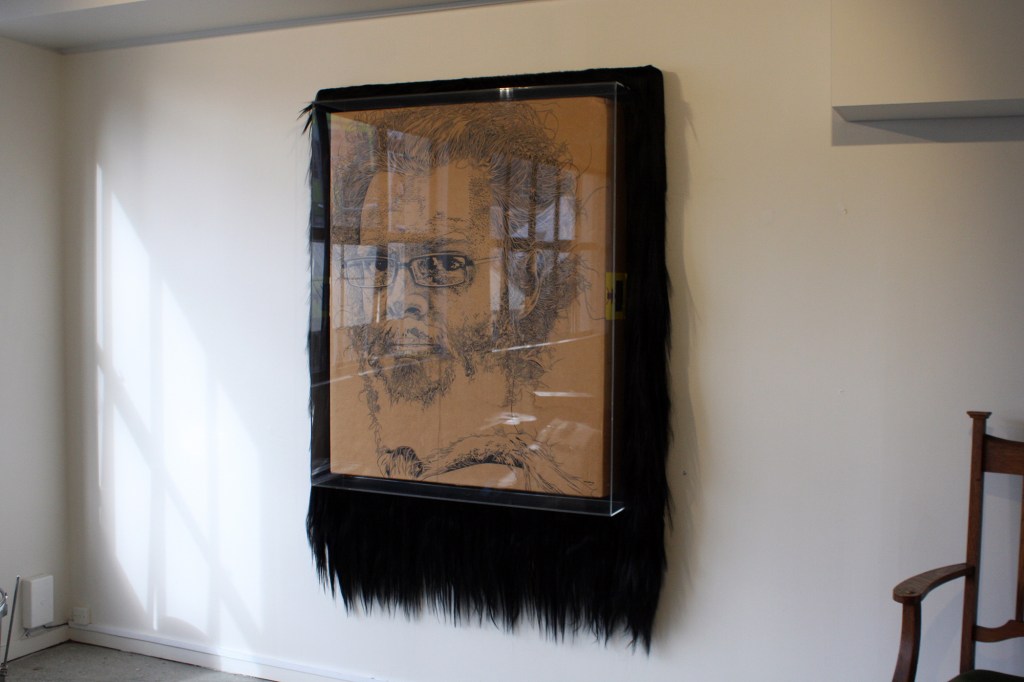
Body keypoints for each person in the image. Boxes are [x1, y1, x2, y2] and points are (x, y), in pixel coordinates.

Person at [328, 99, 610, 496]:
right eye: (377, 265)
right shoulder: (355, 466)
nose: (398, 300)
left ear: (524, 280)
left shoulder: (547, 482)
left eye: (443, 264)